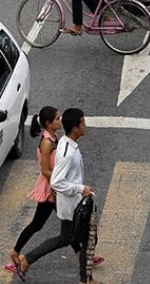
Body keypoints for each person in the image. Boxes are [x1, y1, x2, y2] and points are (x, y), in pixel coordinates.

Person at [6, 107, 104, 276]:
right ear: (48, 123)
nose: (59, 121)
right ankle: (20, 255)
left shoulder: (57, 139)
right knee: (58, 231)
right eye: (57, 119)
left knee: (70, 233)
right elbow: (47, 171)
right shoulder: (47, 143)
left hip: (59, 191)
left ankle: (84, 265)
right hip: (50, 190)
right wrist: (76, 188)